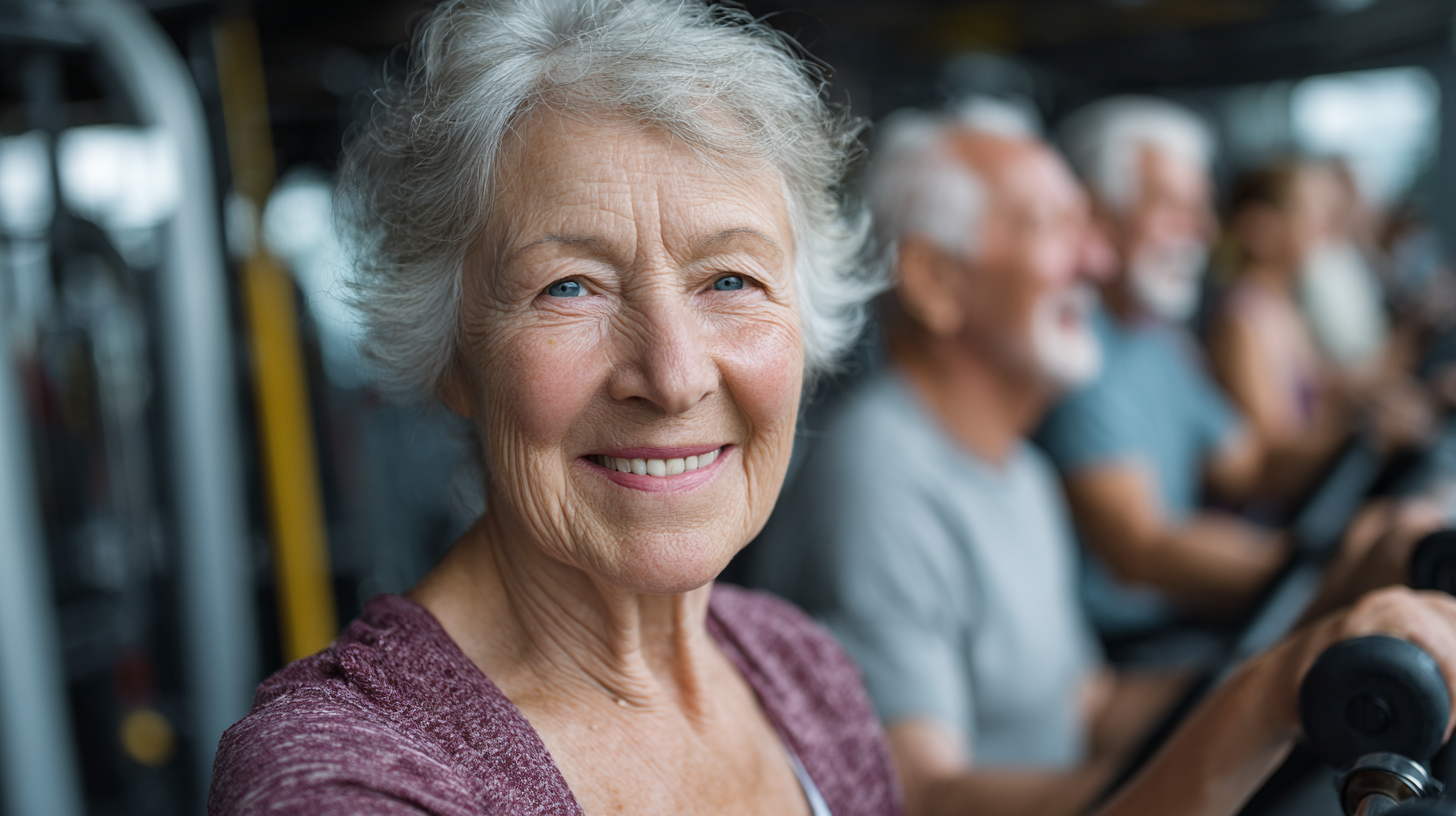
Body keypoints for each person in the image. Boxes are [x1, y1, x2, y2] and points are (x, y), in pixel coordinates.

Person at [208, 4, 1456, 815]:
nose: (673, 373)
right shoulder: (356, 780)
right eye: (569, 286)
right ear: (450, 352)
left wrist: (1271, 696)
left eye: (731, 281)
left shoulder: (792, 666)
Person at [751, 104, 1180, 816]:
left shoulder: (1023, 469)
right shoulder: (879, 476)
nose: (1098, 261)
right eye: (1052, 225)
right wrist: (1194, 789)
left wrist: (1272, 693)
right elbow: (918, 795)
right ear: (935, 280)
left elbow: (1087, 704)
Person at [1037, 99, 1433, 644]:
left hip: (1189, 616)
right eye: (1174, 207)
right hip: (1134, 644)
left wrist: (1368, 438)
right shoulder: (1072, 348)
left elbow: (1248, 463)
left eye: (1203, 208)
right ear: (1097, 216)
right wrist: (1332, 566)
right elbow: (1141, 548)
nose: (1203, 230)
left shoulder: (1159, 340)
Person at [1207, 159, 1433, 509]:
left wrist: (1413, 397)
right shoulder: (1242, 322)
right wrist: (1368, 433)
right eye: (1310, 213)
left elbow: (1329, 396)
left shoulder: (1283, 307)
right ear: (1261, 228)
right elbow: (1268, 457)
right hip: (1270, 517)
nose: (1326, 226)